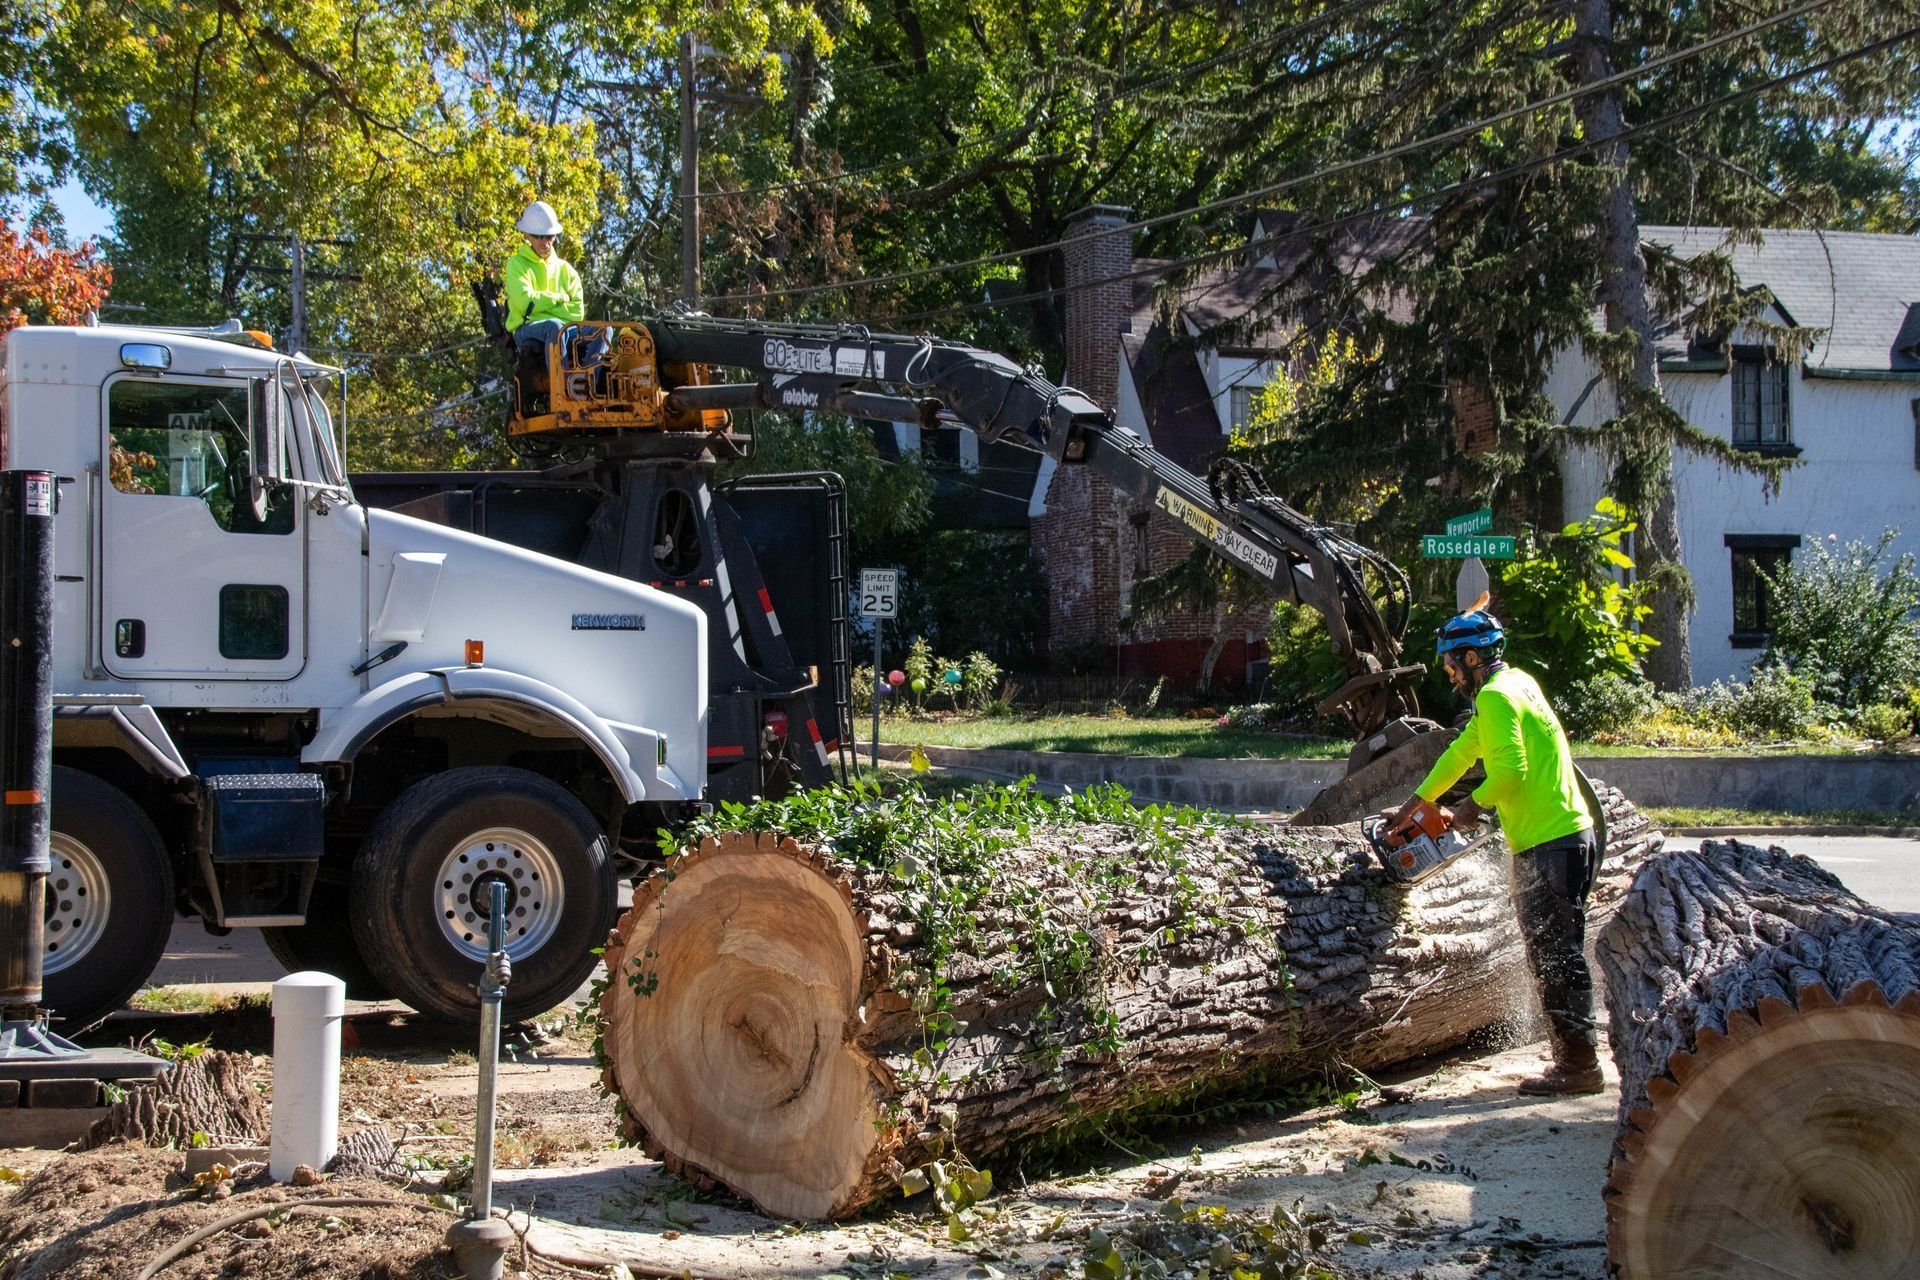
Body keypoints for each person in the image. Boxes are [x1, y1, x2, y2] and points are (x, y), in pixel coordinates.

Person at [1385, 609, 1605, 1096]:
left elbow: (1509, 773)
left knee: (1555, 956)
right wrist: (1416, 805)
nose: (1449, 674)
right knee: (1557, 950)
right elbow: (1463, 752)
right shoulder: (1517, 684)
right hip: (1567, 835)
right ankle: (1577, 1059)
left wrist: (1465, 810)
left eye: (1450, 665)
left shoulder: (1494, 696)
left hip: (1550, 843)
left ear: (1471, 657)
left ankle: (1579, 1066)